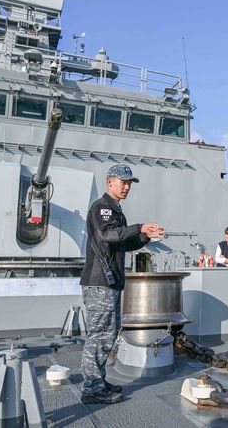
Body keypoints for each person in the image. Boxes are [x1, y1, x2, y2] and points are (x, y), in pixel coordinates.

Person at [80, 164, 165, 404]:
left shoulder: (117, 212)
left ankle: (97, 380)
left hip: (110, 283)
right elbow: (108, 235)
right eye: (123, 182)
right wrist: (139, 227)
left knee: (108, 334)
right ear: (110, 182)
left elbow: (124, 244)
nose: (127, 187)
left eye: (129, 183)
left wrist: (146, 235)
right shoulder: (102, 208)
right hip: (99, 283)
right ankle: (91, 388)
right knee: (98, 335)